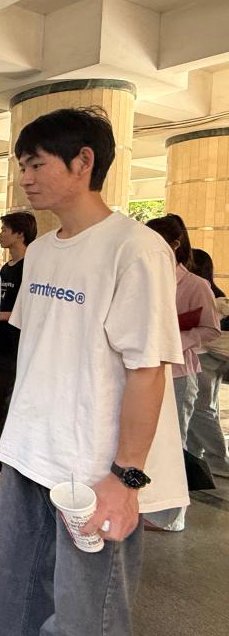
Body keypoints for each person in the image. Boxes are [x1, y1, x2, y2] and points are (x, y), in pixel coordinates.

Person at [0, 107, 188, 636]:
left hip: (92, 474)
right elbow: (42, 351)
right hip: (29, 455)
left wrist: (125, 478)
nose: (24, 178)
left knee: (86, 615)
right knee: (13, 589)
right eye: (21, 166)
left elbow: (148, 372)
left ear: (83, 162)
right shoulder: (41, 252)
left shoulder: (135, 249)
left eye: (36, 164)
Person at [141, 218, 219, 532]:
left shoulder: (195, 285)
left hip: (178, 373)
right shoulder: (143, 277)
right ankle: (149, 504)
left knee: (175, 442)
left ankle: (173, 517)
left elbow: (210, 329)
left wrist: (175, 339)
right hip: (144, 370)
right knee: (147, 442)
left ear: (174, 244)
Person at [0, 211, 36, 489]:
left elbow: (27, 311)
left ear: (20, 233)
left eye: (5, 229)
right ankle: (2, 455)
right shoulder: (6, 268)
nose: (0, 234)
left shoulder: (30, 267)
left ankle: (7, 469)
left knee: (5, 403)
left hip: (17, 346)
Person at [188, 248, 229, 477]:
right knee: (202, 410)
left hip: (203, 357)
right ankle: (197, 458)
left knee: (201, 411)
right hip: (212, 358)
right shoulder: (216, 294)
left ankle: (217, 461)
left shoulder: (203, 295)